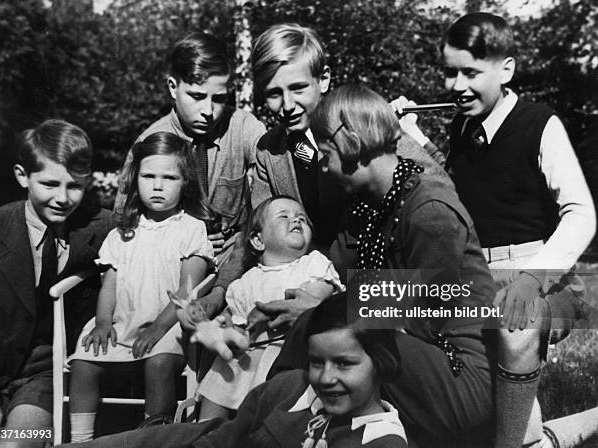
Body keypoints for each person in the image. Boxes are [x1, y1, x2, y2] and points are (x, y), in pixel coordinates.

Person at [391, 12, 596, 448]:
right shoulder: (464, 126)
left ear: (506, 69)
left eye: (471, 72)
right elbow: (455, 185)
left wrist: (530, 279)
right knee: (370, 305)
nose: (456, 86)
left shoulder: (540, 123)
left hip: (545, 277)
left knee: (513, 322)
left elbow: (581, 214)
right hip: (480, 278)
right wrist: (409, 134)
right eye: (449, 73)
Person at [269, 84, 498, 447]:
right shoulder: (367, 206)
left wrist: (331, 309)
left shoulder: (429, 211)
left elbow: (424, 319)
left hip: (457, 375)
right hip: (406, 351)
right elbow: (341, 272)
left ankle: (274, 428)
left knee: (324, 326)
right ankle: (270, 422)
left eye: (327, 154)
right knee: (313, 330)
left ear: (351, 146)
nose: (325, 168)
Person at [213, 23, 451, 332]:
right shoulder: (269, 152)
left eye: (298, 88)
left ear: (323, 79)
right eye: (274, 94)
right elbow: (257, 236)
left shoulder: (362, 122)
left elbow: (439, 195)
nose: (286, 106)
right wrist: (218, 292)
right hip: (314, 293)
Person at [60, 293, 409, 448]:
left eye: (345, 364)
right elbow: (221, 440)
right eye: (317, 362)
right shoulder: (290, 388)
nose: (326, 377)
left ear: (382, 364)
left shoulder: (381, 442)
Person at [67, 132, 215, 442]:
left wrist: (157, 329)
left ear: (185, 181)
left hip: (170, 326)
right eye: (148, 176)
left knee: (159, 363)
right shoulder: (123, 231)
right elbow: (110, 284)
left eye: (169, 177)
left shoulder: (191, 229)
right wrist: (104, 322)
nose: (157, 185)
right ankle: (82, 439)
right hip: (122, 322)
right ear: (136, 180)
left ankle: (152, 437)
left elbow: (186, 292)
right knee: (83, 359)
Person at [114, 31, 266, 319]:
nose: (208, 111)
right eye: (196, 96)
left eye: (218, 98)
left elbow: (273, 200)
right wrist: (187, 235)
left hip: (235, 261)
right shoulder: (149, 144)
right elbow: (124, 223)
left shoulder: (243, 127)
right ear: (173, 87)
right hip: (170, 276)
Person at [0, 119, 113, 446]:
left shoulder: (101, 229)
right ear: (22, 176)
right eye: (49, 184)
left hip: (42, 380)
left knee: (16, 442)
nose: (62, 198)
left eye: (74, 186)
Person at [195, 196, 344, 420]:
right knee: (218, 383)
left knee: (268, 411)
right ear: (257, 240)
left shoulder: (312, 263)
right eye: (284, 216)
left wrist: (269, 310)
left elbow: (316, 296)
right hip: (245, 357)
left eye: (302, 218)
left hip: (288, 354)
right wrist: (226, 328)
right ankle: (203, 432)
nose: (295, 220)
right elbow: (234, 318)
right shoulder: (245, 281)